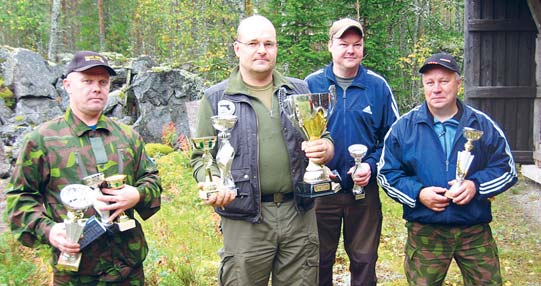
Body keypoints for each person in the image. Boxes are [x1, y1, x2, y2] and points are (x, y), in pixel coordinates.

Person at [190, 15, 334, 286]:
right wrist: (212, 184)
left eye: (269, 43)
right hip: (245, 218)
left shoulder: (298, 90)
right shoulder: (216, 98)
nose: (262, 50)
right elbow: (202, 157)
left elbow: (323, 136)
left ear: (277, 48)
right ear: (237, 48)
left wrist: (325, 148)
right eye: (253, 43)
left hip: (298, 214)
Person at [6, 51, 162, 285]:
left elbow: (151, 180)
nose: (97, 88)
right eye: (87, 81)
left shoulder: (127, 136)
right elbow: (19, 199)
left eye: (103, 82)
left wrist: (136, 194)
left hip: (129, 270)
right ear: (68, 85)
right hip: (76, 274)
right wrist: (50, 231)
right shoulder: (42, 140)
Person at [377, 52, 518, 286]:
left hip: (474, 230)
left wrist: (476, 186)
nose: (437, 89)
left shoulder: (482, 124)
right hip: (425, 232)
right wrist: (419, 194)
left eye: (444, 81)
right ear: (423, 86)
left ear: (458, 83)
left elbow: (507, 168)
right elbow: (387, 174)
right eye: (430, 83)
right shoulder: (404, 128)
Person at [305, 18, 399, 286]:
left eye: (357, 44)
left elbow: (393, 139)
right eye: (343, 43)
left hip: (363, 191)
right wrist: (317, 168)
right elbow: (296, 137)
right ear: (330, 46)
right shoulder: (311, 85)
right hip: (322, 191)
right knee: (318, 260)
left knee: (364, 260)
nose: (350, 50)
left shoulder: (377, 86)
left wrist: (370, 165)